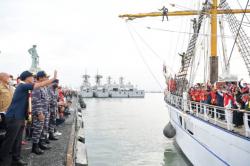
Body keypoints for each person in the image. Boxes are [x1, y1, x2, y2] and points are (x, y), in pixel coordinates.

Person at [0, 70, 57, 166]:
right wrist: (53, 79)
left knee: (17, 140)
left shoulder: (24, 87)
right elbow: (39, 84)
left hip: (20, 117)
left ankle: (16, 159)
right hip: (14, 117)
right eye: (32, 77)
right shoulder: (22, 85)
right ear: (27, 78)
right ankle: (2, 160)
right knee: (10, 140)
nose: (33, 79)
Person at [31, 71, 53, 155]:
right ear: (40, 78)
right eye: (45, 77)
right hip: (39, 113)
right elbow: (36, 101)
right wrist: (39, 113)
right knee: (37, 130)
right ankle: (34, 147)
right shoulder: (37, 87)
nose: (46, 79)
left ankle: (40, 144)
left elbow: (46, 100)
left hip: (45, 111)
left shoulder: (43, 87)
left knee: (41, 129)